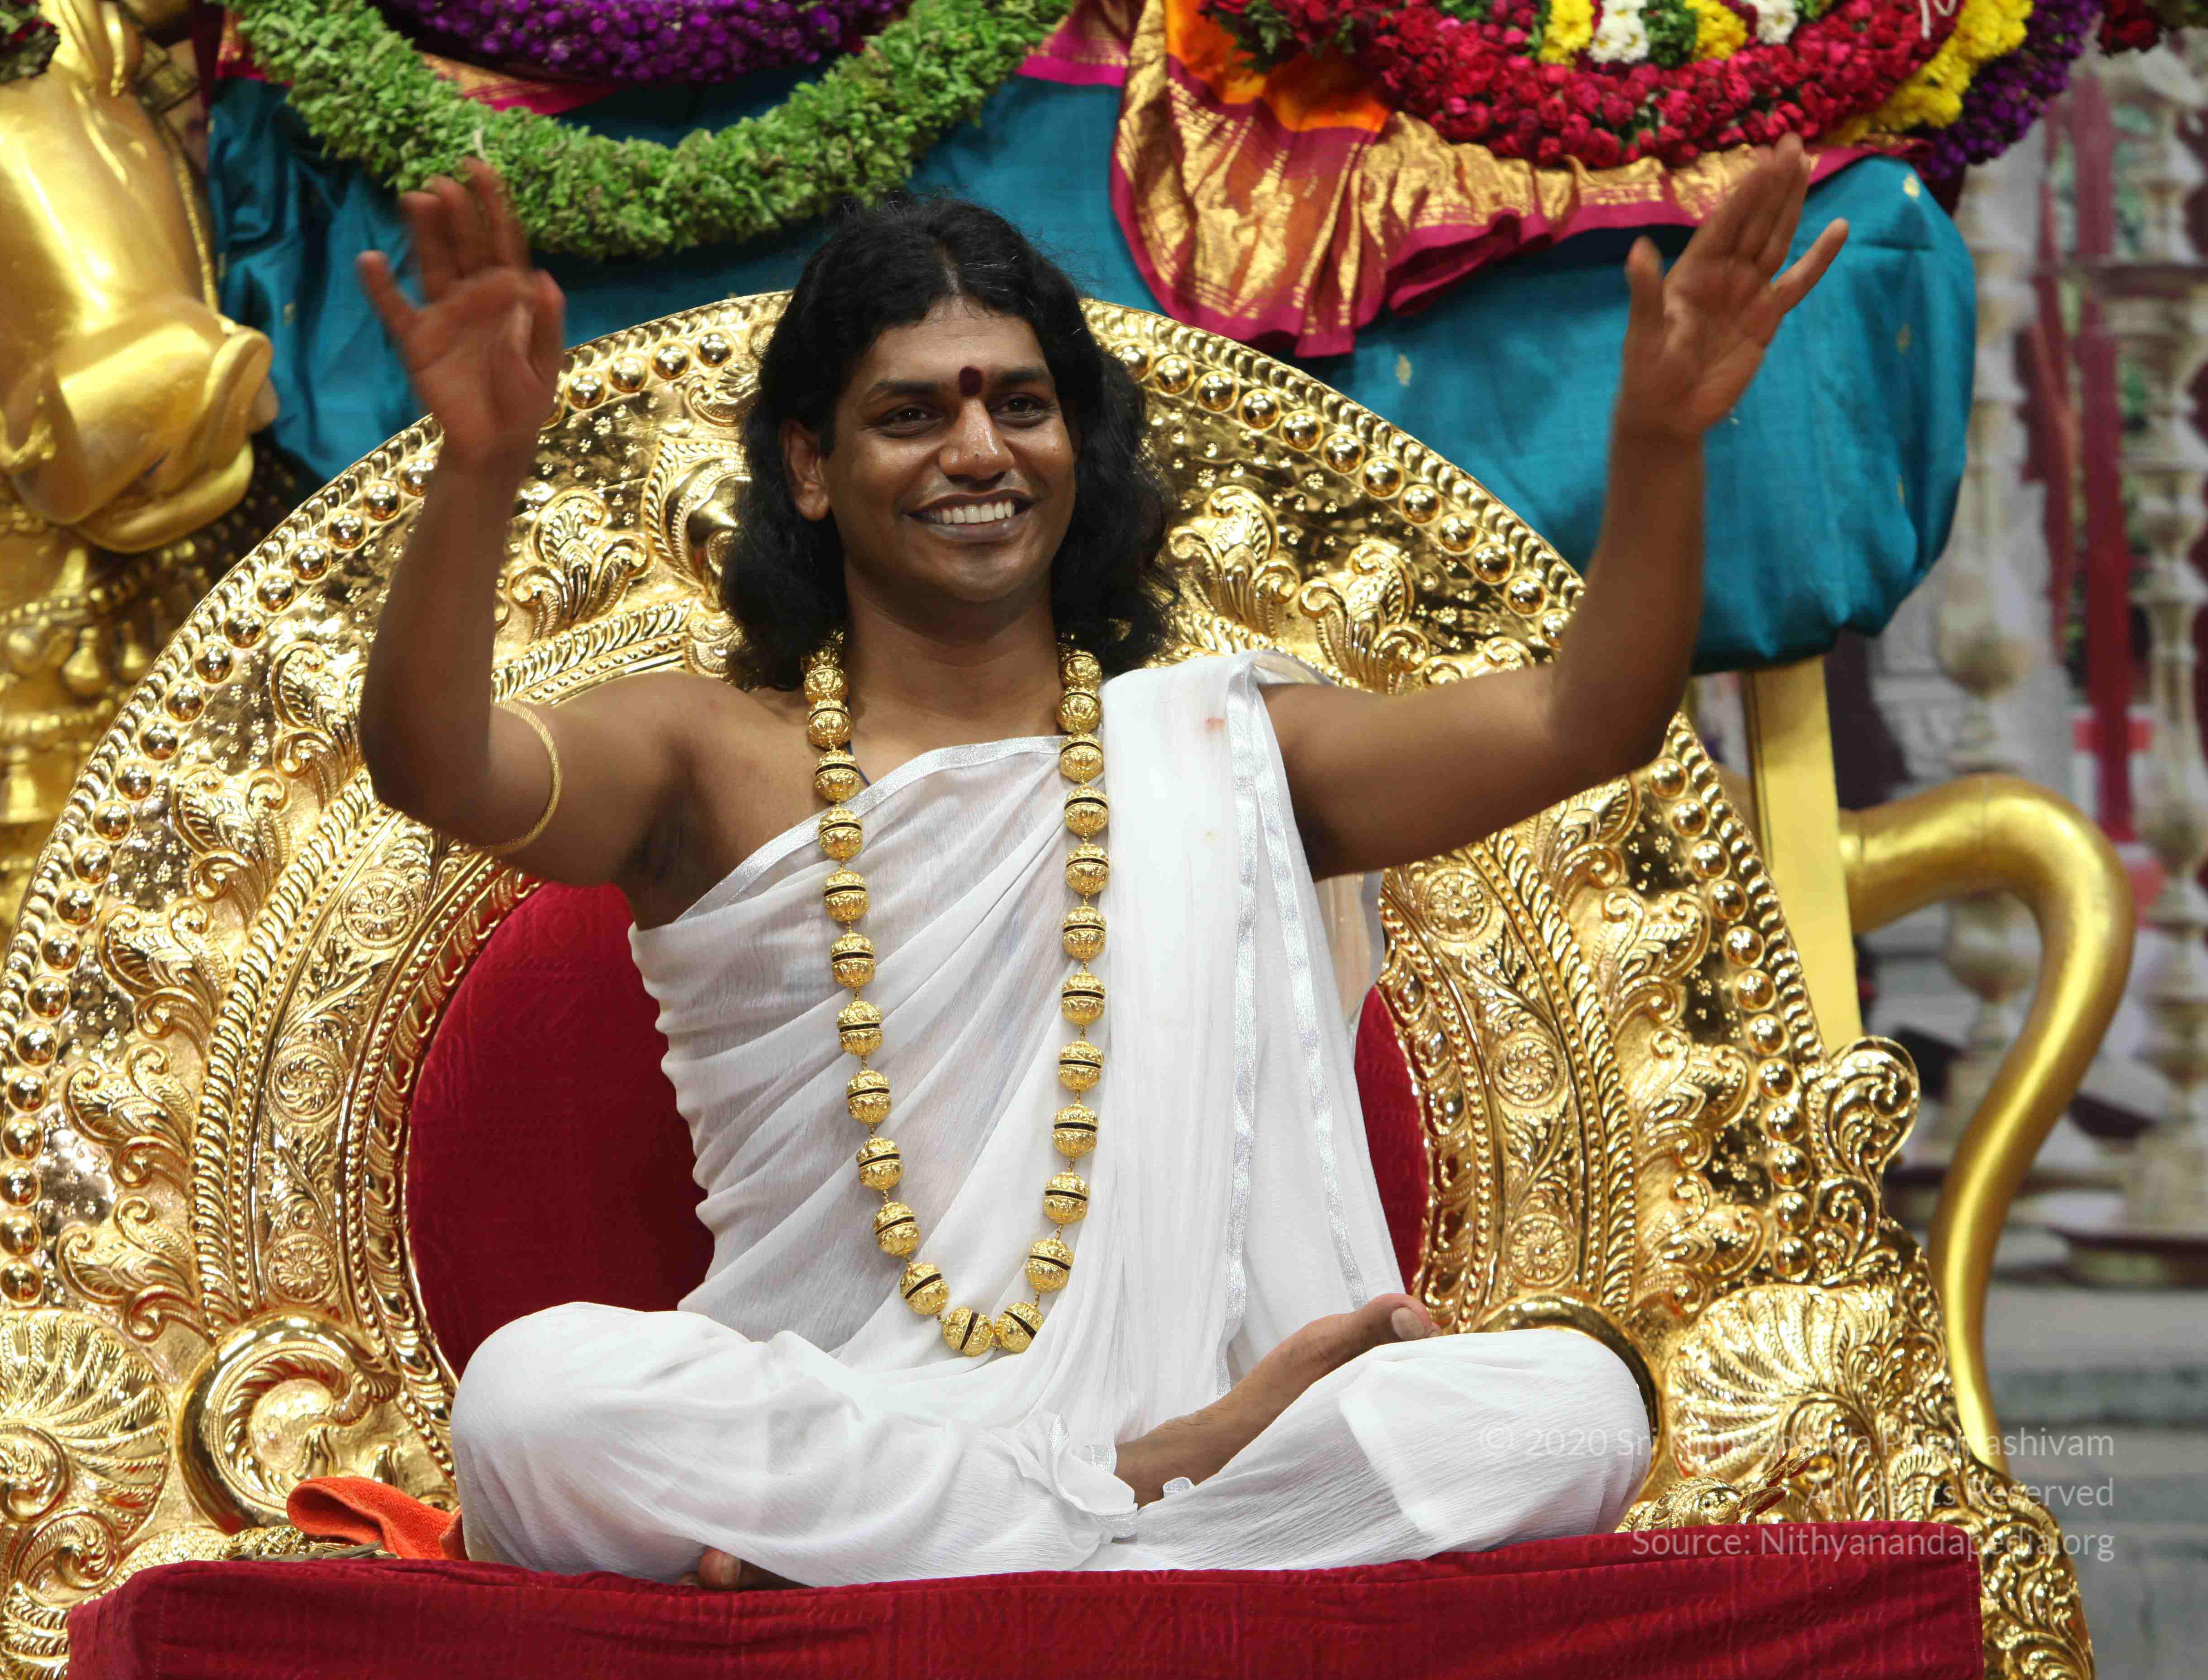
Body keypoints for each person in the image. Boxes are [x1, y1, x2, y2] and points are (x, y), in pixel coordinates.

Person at [354, 150, 1847, 1590]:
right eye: (910, 415)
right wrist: (479, 468)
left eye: (1022, 404)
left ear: (1078, 443)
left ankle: (905, 1550)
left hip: (1184, 1424)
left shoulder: (1222, 747)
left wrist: (1660, 445)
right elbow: (441, 770)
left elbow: (1584, 721)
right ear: (810, 465)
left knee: (1576, 1411)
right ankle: (1118, 1502)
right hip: (855, 1415)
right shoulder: (706, 756)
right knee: (536, 1403)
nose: (979, 452)